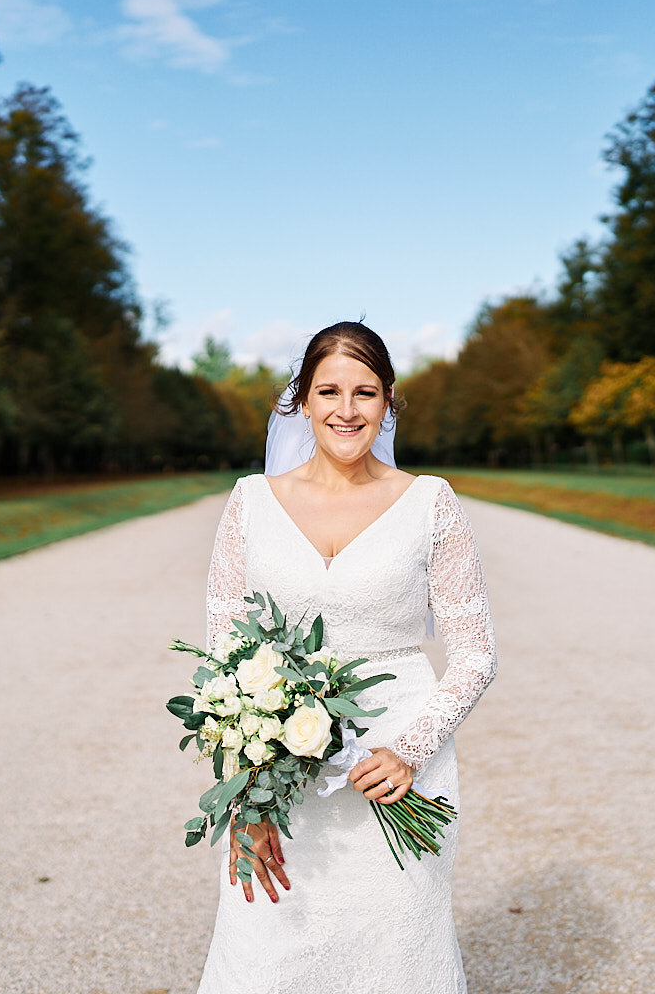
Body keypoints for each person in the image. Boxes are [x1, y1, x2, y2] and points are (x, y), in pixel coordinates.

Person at [196, 321, 497, 993]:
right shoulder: (251, 502)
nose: (346, 409)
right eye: (328, 391)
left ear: (388, 404)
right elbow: (224, 658)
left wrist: (409, 750)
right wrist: (246, 796)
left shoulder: (430, 503)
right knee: (268, 950)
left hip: (397, 770)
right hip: (280, 771)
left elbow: (475, 652)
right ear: (302, 400)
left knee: (396, 954)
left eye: (365, 393)